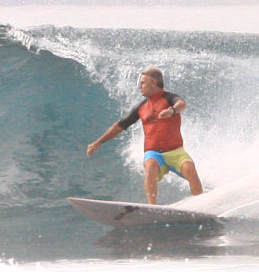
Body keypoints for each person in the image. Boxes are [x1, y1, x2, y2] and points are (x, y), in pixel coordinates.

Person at [85, 67, 203, 204]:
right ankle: (152, 207)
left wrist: (172, 111)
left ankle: (200, 203)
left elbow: (182, 104)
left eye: (142, 83)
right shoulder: (140, 108)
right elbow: (119, 126)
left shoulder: (169, 99)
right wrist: (98, 142)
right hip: (154, 153)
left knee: (190, 169)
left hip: (175, 152)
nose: (139, 86)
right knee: (150, 165)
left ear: (153, 83)